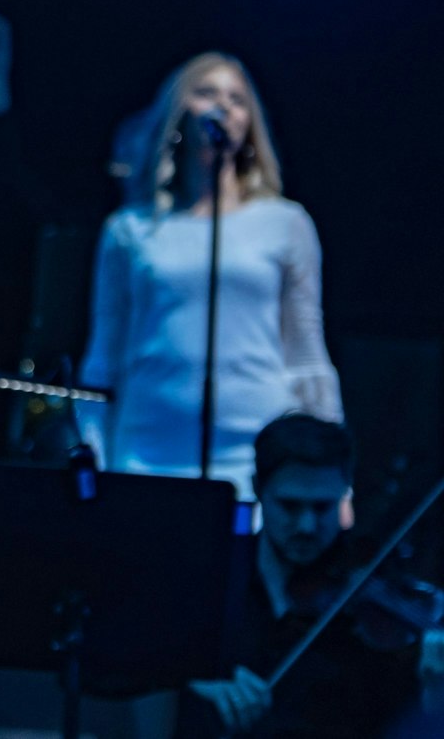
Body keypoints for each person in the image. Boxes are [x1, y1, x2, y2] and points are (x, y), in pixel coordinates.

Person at [77, 52, 342, 500]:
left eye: (237, 99)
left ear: (249, 123)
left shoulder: (285, 223)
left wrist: (333, 468)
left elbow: (306, 350)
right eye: (206, 93)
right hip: (148, 449)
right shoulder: (131, 230)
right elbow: (105, 351)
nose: (223, 106)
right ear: (178, 114)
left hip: (257, 451)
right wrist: (91, 448)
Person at [175, 414, 444, 737]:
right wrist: (194, 688)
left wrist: (433, 693)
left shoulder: (375, 601)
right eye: (290, 506)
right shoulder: (211, 577)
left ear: (345, 491)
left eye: (322, 508)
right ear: (259, 489)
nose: (307, 527)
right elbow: (130, 678)